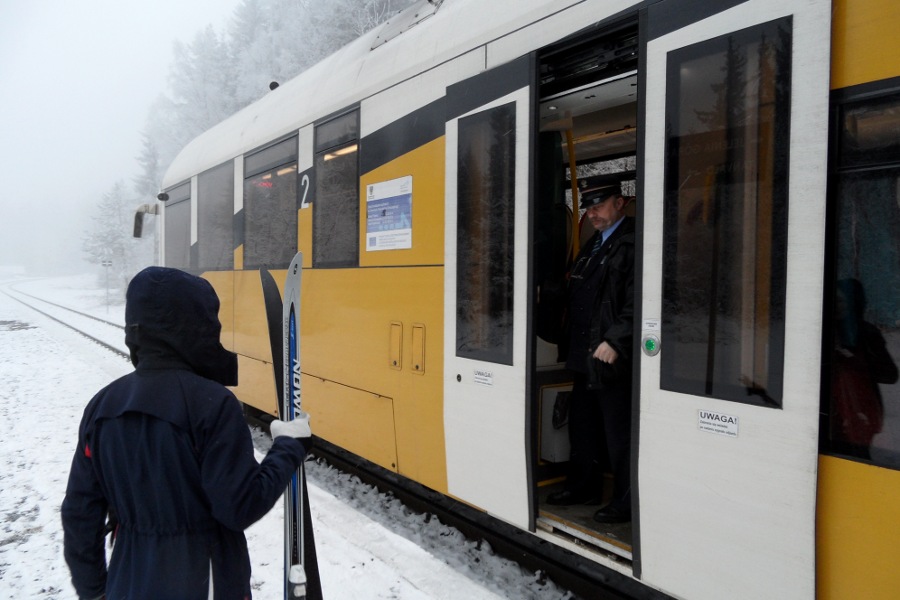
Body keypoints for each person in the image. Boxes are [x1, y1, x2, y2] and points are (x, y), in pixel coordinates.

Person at [61, 267, 311, 600]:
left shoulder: (102, 407)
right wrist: (289, 447)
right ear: (197, 327)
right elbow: (240, 506)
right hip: (204, 580)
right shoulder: (212, 403)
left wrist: (94, 591)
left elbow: (80, 514)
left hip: (128, 580)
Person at [548, 183, 635, 525]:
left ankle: (625, 503)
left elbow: (639, 299)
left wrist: (617, 341)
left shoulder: (631, 243)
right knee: (583, 428)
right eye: (589, 208)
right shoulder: (594, 244)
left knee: (618, 433)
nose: (593, 213)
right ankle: (583, 487)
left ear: (620, 203)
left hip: (611, 356)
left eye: (599, 206)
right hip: (584, 353)